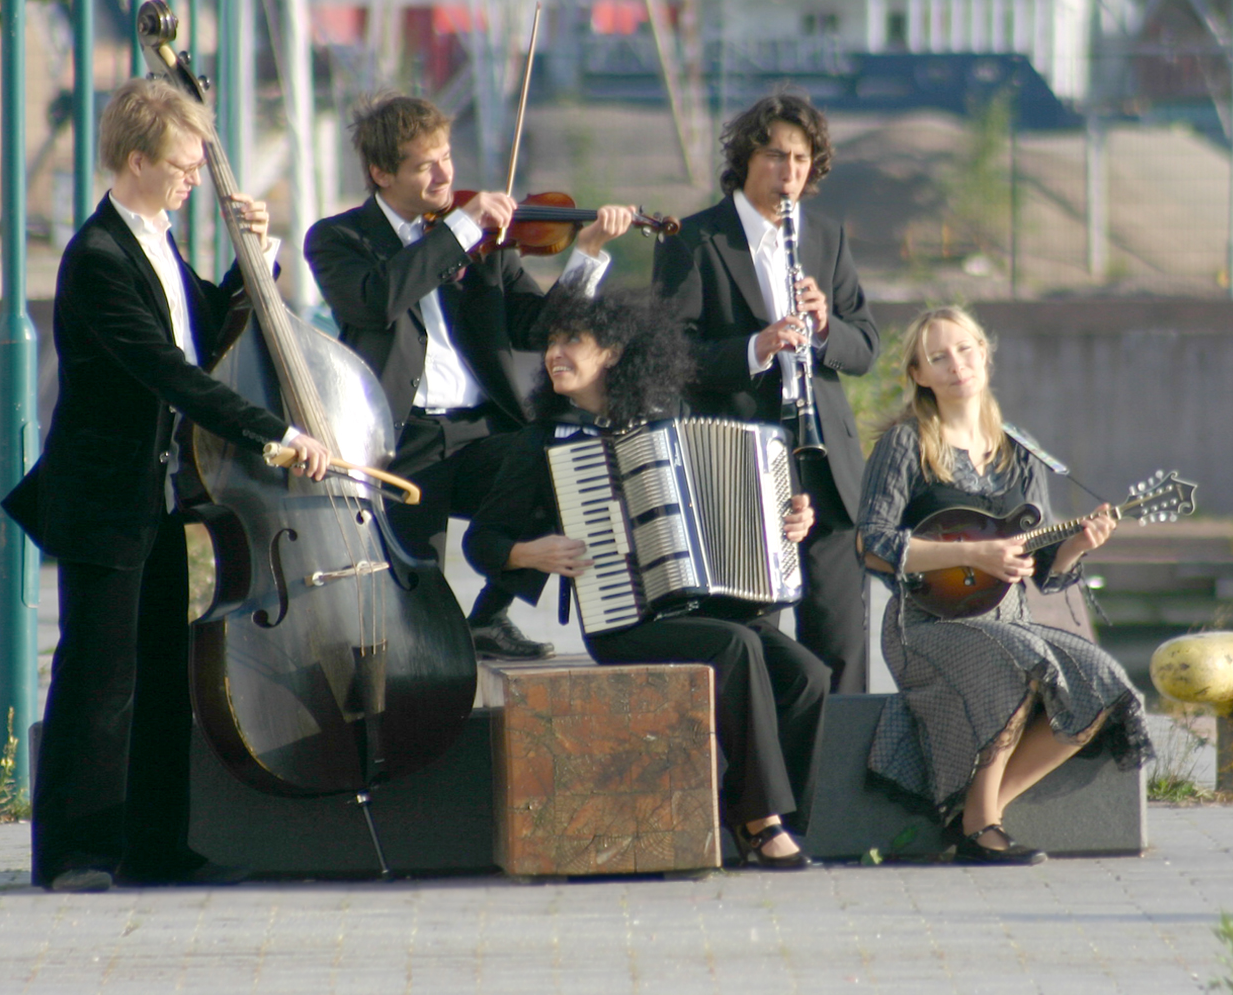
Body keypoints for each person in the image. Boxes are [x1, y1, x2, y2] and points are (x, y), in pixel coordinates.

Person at [1, 79, 330, 893]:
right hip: (105, 497)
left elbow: (206, 325)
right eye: (183, 166)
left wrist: (256, 260)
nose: (193, 179)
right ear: (137, 159)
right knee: (98, 679)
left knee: (159, 674)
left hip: (159, 494)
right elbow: (168, 370)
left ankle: (154, 847)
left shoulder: (156, 241)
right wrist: (276, 434)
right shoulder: (98, 258)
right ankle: (74, 854)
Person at [463, 285, 831, 868]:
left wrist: (791, 517)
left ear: (612, 352)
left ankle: (758, 810)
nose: (554, 353)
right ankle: (761, 821)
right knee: (735, 647)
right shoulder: (545, 441)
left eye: (572, 340)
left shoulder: (670, 419)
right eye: (551, 342)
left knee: (808, 674)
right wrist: (531, 553)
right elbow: (482, 541)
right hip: (623, 620)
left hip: (710, 605)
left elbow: (748, 502)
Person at [304, 94, 635, 660]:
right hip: (400, 439)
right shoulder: (339, 238)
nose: (445, 175)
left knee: (561, 468)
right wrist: (459, 229)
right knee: (416, 601)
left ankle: (489, 618)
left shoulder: (486, 241)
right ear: (381, 173)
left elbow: (535, 327)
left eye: (447, 158)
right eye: (425, 166)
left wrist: (586, 256)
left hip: (482, 430)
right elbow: (376, 301)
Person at [855, 306, 1152, 865]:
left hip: (1010, 620)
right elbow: (871, 543)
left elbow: (1043, 568)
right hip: (926, 624)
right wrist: (972, 553)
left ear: (985, 356)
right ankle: (981, 824)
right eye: (938, 357)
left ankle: (975, 814)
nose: (956, 364)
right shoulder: (905, 444)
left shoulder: (1021, 451)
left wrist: (1077, 545)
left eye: (965, 349)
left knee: (1103, 681)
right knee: (1017, 659)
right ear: (919, 374)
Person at [652, 91, 878, 693]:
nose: (789, 172)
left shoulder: (825, 237)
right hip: (741, 461)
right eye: (776, 156)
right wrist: (757, 347)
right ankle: (759, 752)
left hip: (825, 465)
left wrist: (825, 326)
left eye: (801, 160)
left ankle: (835, 757)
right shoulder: (693, 240)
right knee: (752, 640)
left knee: (841, 646)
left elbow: (865, 346)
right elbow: (670, 357)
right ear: (746, 158)